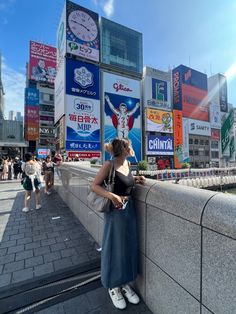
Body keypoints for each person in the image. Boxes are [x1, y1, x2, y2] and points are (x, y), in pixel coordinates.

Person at [91, 138, 145, 310]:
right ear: (123, 149)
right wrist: (112, 196)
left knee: (128, 246)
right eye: (129, 146)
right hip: (115, 212)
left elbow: (124, 182)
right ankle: (112, 286)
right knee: (114, 246)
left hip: (129, 210)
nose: (131, 148)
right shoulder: (109, 165)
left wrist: (137, 179)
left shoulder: (127, 165)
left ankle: (123, 282)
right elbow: (94, 186)